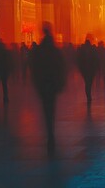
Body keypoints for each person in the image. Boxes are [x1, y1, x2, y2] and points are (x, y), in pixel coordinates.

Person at [30, 22, 66, 154]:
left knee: (46, 108)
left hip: (44, 84)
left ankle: (49, 130)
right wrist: (61, 82)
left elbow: (35, 67)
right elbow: (61, 66)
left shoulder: (39, 50)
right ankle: (51, 131)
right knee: (51, 108)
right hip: (53, 83)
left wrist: (37, 83)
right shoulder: (55, 49)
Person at [76, 39, 100, 104]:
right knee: (88, 83)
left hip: (88, 70)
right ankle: (88, 95)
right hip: (87, 70)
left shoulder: (84, 51)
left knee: (88, 83)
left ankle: (88, 95)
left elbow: (79, 60)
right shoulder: (90, 51)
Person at [0, 38, 11, 105]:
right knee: (4, 85)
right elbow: (8, 61)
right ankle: (5, 98)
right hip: (4, 70)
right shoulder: (4, 50)